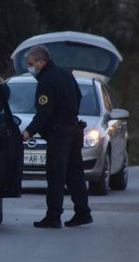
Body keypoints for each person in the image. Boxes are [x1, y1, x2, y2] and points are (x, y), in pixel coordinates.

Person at [21, 45, 92, 229]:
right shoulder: (65, 74)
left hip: (59, 133)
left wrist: (28, 131)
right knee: (75, 173)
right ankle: (83, 212)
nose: (29, 68)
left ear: (41, 62)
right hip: (74, 129)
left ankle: (53, 216)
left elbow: (44, 113)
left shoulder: (46, 80)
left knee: (56, 175)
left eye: (31, 64)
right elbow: (78, 96)